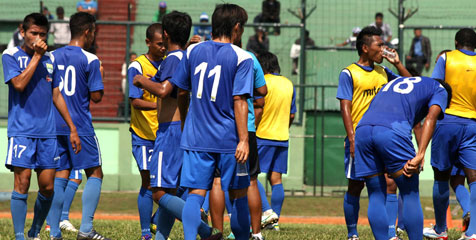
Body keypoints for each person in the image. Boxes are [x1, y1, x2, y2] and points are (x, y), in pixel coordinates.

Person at [134, 11, 221, 240]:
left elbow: (164, 90)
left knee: (159, 192)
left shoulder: (173, 58)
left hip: (170, 132)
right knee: (172, 191)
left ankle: (204, 229)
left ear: (165, 33)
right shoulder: (185, 57)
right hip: (181, 130)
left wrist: (141, 79)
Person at [169, 4, 253, 240]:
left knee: (195, 194)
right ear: (237, 28)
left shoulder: (193, 51)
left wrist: (186, 123)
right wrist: (244, 140)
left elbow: (182, 92)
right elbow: (239, 101)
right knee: (238, 195)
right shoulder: (242, 57)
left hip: (197, 137)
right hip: (228, 139)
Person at [2, 12, 80, 240]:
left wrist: (72, 128)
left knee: (47, 187)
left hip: (48, 133)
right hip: (22, 132)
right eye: (34, 33)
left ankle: (34, 231)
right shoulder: (11, 56)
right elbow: (18, 84)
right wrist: (37, 56)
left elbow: (57, 95)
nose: (38, 38)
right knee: (22, 183)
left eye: (43, 34)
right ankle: (19, 236)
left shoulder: (51, 60)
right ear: (22, 31)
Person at [336, 26, 411, 240]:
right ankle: (352, 233)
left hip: (383, 137)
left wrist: (397, 62)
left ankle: (389, 233)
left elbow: (409, 83)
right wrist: (351, 139)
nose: (383, 49)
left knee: (389, 183)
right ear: (365, 48)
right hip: (360, 139)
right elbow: (345, 107)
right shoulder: (349, 73)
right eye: (379, 45)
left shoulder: (383, 72)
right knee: (356, 185)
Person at [354, 75, 450, 240]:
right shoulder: (440, 89)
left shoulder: (402, 82)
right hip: (391, 131)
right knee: (410, 192)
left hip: (362, 130)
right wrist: (420, 154)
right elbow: (431, 118)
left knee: (376, 194)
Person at [46, 12, 109, 240]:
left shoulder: (51, 56)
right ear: (87, 31)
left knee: (60, 175)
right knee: (95, 172)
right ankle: (86, 228)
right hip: (79, 125)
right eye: (93, 32)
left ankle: (54, 232)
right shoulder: (90, 59)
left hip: (55, 124)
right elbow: (97, 97)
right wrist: (101, 75)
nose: (94, 37)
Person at [207, 41, 267, 240]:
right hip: (244, 128)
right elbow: (263, 91)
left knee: (216, 180)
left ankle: (217, 232)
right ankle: (256, 233)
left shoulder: (208, 55)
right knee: (249, 181)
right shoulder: (248, 57)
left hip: (216, 127)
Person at [423, 28, 476, 240]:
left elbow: (437, 88)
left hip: (447, 121)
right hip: (472, 123)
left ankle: (441, 229)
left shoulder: (446, 58)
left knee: (442, 176)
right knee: (473, 178)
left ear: (456, 42)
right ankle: (473, 233)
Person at [127, 23, 164, 240]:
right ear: (148, 42)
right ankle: (144, 233)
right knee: (149, 183)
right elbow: (136, 101)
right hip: (144, 135)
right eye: (159, 44)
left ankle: (155, 222)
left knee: (174, 184)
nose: (163, 48)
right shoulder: (138, 67)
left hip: (165, 134)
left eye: (165, 44)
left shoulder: (169, 63)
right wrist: (160, 106)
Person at [254, 51, 295, 232]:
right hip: (282, 136)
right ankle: (275, 221)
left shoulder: (263, 83)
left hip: (263, 135)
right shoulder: (288, 83)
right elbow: (292, 114)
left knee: (251, 176)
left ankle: (267, 211)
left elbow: (258, 109)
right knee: (276, 179)